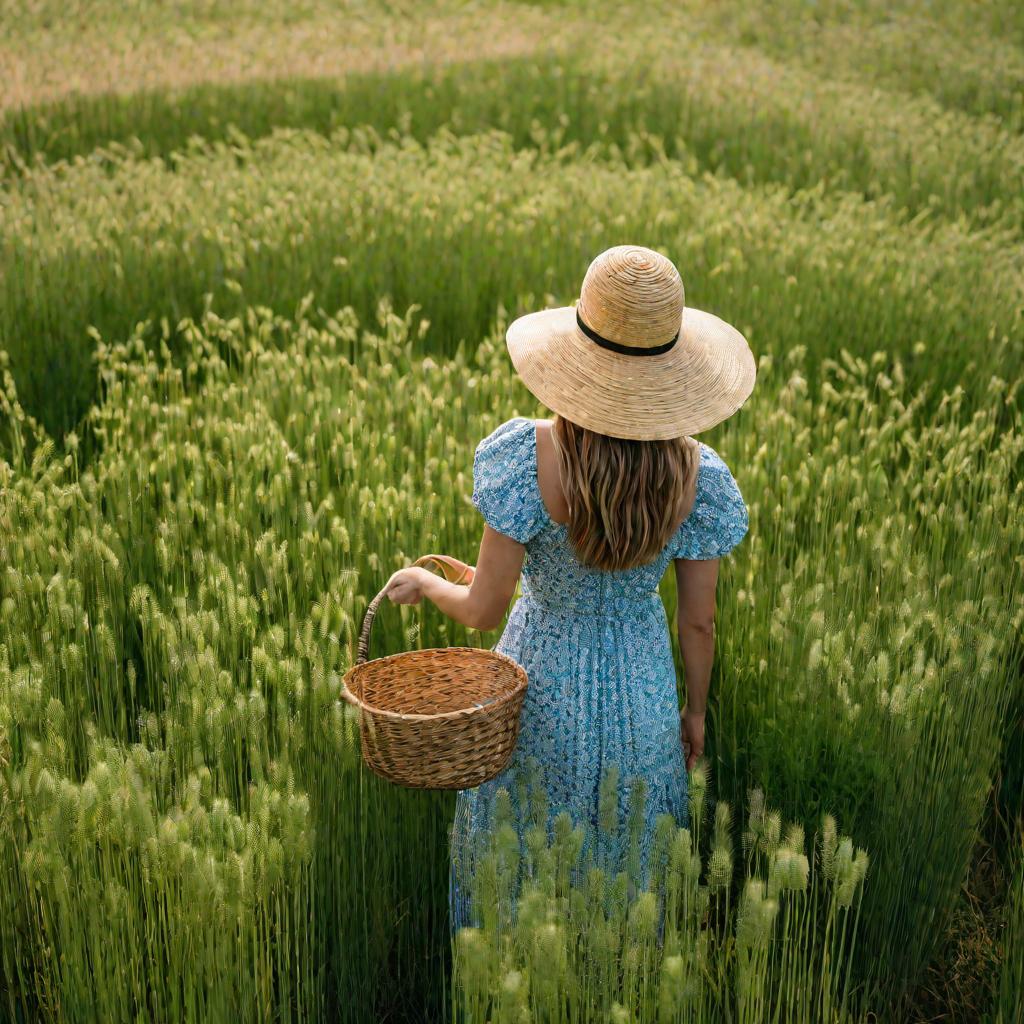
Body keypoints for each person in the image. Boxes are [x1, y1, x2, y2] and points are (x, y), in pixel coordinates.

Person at [382, 245, 756, 934]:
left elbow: (483, 607)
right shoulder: (697, 475)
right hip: (640, 694)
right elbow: (698, 625)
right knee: (628, 865)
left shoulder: (529, 458)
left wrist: (429, 583)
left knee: (520, 863)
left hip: (537, 690)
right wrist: (694, 714)